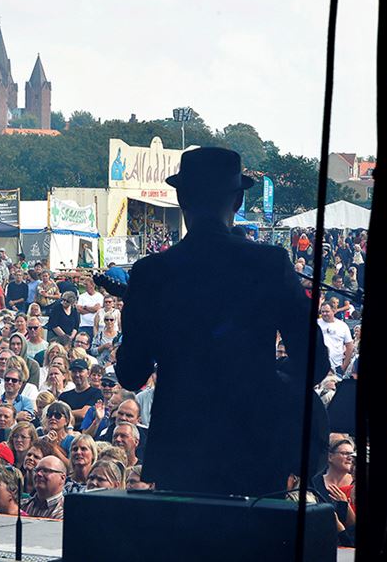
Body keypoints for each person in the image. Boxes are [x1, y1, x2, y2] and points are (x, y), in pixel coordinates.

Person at [117, 148, 328, 497]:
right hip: (254, 447)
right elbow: (315, 361)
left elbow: (131, 373)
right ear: (238, 199)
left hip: (180, 452)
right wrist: (269, 376)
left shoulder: (151, 273)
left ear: (181, 197)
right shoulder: (269, 264)